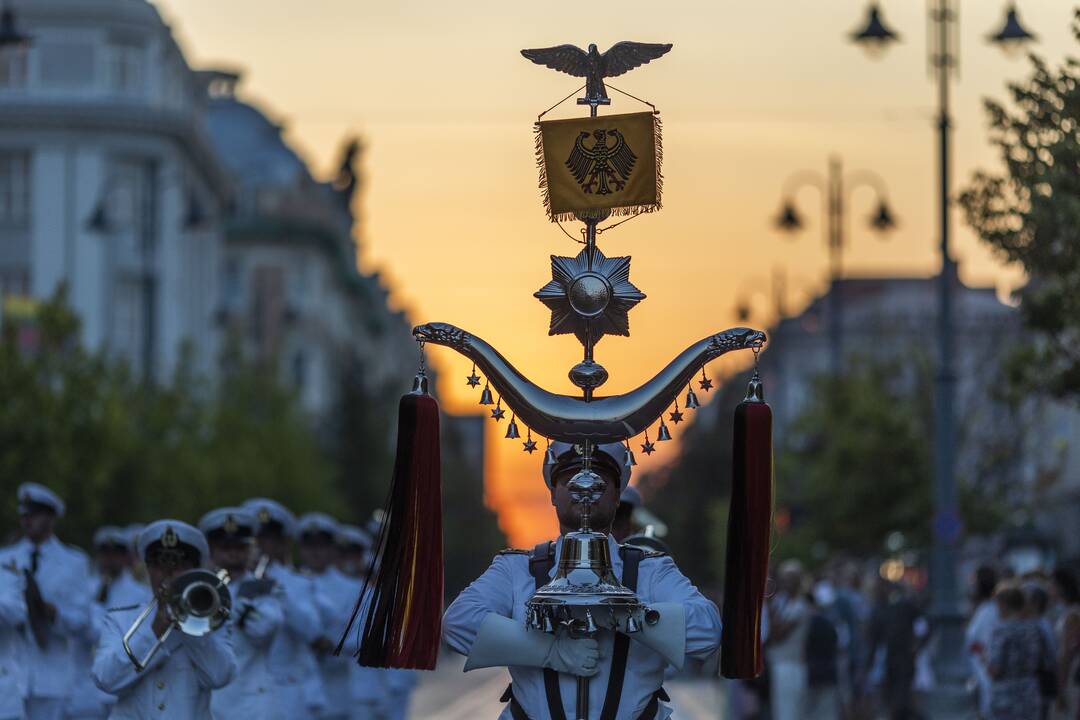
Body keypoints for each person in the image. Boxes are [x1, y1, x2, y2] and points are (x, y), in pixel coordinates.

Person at [443, 441, 722, 720]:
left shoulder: (651, 570)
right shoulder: (518, 569)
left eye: (600, 482)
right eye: (569, 481)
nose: (585, 491)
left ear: (616, 495)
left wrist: (627, 616)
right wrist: (550, 651)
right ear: (553, 493)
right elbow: (459, 623)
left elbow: (707, 632)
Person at [92, 519, 237, 719]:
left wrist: (189, 624)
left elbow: (220, 676)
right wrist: (153, 631)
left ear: (195, 571)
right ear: (148, 569)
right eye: (159, 563)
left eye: (179, 564)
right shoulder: (120, 619)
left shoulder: (212, 619)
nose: (168, 572)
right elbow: (105, 680)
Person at [0, 483, 91, 720]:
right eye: (24, 514)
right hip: (11, 677)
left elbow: (82, 621)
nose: (27, 520)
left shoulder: (74, 562)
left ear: (51, 518)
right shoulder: (5, 558)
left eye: (34, 514)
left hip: (51, 678)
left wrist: (55, 614)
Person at [243, 498, 327, 719]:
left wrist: (280, 594)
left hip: (287, 694)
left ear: (281, 543)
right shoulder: (230, 582)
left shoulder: (298, 583)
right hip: (242, 694)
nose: (259, 543)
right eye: (254, 536)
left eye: (267, 537)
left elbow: (312, 631)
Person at [199, 507, 285, 720]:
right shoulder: (199, 589)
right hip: (208, 700)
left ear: (250, 549)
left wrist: (231, 604)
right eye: (225, 547)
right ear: (212, 550)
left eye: (240, 546)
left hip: (251, 704)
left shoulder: (263, 587)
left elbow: (265, 629)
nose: (232, 553)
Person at [67, 527, 151, 720]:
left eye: (116, 554)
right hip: (82, 687)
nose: (110, 560)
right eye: (105, 553)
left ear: (125, 557)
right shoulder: (84, 587)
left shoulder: (139, 593)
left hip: (121, 685)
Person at [298, 513, 368, 720]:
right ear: (301, 549)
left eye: (322, 546)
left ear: (332, 550)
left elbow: (361, 635)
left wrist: (332, 645)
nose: (316, 553)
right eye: (310, 546)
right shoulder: (288, 584)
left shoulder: (352, 588)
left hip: (337, 688)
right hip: (298, 692)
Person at [865, 577, 926, 720]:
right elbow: (874, 641)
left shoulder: (904, 607)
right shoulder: (879, 610)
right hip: (889, 663)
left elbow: (925, 622)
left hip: (902, 661)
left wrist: (917, 644)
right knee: (893, 702)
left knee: (900, 702)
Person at [987, 583, 1043, 720]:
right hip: (1030, 692)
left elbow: (995, 669)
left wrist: (985, 660)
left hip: (1007, 695)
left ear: (1004, 604)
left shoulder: (1001, 630)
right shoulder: (1033, 628)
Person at [765, 560, 810, 720]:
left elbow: (777, 634)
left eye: (790, 578)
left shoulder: (800, 606)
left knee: (790, 713)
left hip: (792, 667)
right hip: (779, 664)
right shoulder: (782, 602)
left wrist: (769, 604)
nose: (786, 583)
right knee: (780, 712)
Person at [967, 564, 1001, 719]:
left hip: (986, 668)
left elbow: (983, 641)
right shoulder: (983, 609)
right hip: (979, 669)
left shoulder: (990, 610)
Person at [1051, 567, 1080, 720]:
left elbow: (1065, 654)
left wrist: (1060, 689)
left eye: (1052, 585)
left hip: (1072, 677)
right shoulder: (1067, 612)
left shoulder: (1072, 615)